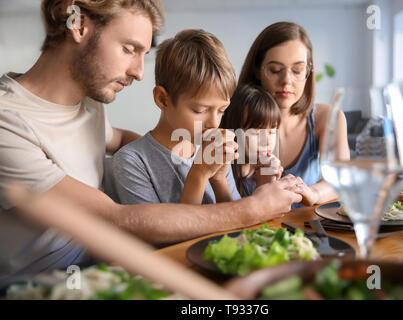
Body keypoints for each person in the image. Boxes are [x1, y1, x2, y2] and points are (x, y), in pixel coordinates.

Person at [0, 1, 303, 289]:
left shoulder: (89, 102)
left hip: (101, 270)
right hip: (42, 286)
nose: (139, 72)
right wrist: (252, 208)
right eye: (129, 49)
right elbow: (116, 218)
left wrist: (171, 152)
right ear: (78, 25)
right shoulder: (8, 122)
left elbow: (115, 139)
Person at [108, 29, 242, 205]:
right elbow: (162, 232)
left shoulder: (214, 151)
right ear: (163, 99)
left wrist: (219, 181)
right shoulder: (132, 162)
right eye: (200, 110)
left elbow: (238, 222)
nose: (214, 123)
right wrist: (199, 174)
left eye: (221, 110)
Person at [238, 21, 350, 207]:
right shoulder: (233, 116)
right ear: (256, 70)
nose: (286, 81)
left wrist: (312, 193)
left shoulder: (327, 118)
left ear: (308, 72)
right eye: (275, 70)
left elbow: (342, 179)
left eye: (297, 70)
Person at [220, 83, 283, 197]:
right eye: (257, 132)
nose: (267, 142)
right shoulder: (222, 176)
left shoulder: (268, 171)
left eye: (272, 131)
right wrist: (263, 188)